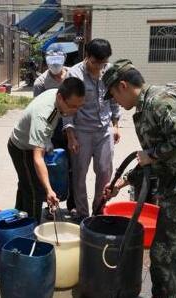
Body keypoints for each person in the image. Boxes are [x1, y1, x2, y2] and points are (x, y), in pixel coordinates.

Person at [102, 59, 176, 298]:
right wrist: (123, 181)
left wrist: (152, 154)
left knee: (164, 255)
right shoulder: (148, 104)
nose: (115, 102)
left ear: (123, 86)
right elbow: (157, 160)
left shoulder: (159, 103)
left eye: (113, 95)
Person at [8, 77, 85, 223]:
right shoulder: (44, 115)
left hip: (31, 143)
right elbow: (38, 157)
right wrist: (49, 190)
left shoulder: (57, 96)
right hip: (21, 148)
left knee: (26, 184)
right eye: (73, 106)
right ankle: (31, 229)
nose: (76, 111)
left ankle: (19, 218)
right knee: (35, 190)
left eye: (79, 106)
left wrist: (47, 141)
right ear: (61, 98)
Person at [63, 39, 121, 221]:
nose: (99, 67)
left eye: (102, 63)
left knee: (105, 171)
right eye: (95, 62)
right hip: (81, 131)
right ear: (87, 57)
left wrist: (116, 125)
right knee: (80, 174)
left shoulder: (109, 71)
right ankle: (82, 214)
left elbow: (114, 99)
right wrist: (71, 136)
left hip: (104, 130)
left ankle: (98, 210)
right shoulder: (74, 74)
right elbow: (66, 107)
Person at [33, 51, 75, 216]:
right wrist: (46, 139)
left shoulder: (73, 75)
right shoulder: (40, 83)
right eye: (52, 62)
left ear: (64, 60)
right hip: (52, 126)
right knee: (51, 167)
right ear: (46, 62)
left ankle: (73, 205)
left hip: (72, 125)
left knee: (73, 168)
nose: (55, 66)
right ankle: (52, 205)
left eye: (58, 62)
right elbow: (39, 111)